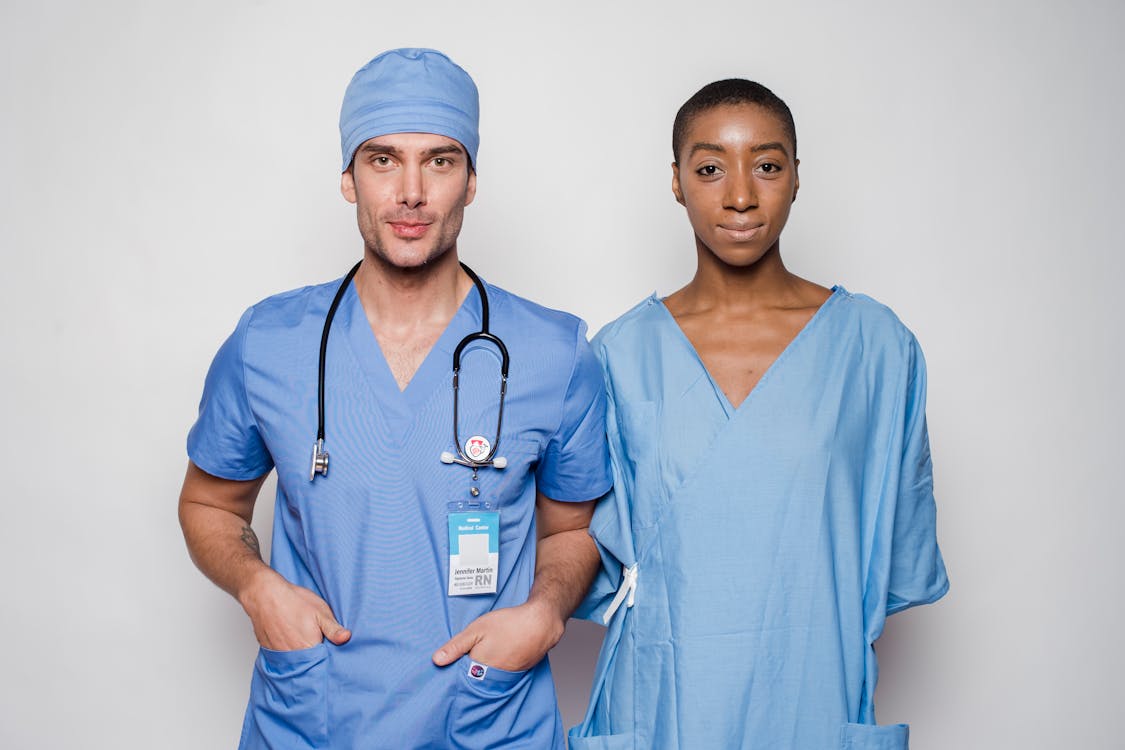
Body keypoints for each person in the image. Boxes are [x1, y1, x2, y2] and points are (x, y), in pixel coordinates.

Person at [178, 48, 611, 749]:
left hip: (488, 717)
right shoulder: (269, 343)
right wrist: (258, 588)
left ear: (470, 182)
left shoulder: (554, 354)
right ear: (348, 179)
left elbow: (572, 527)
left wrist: (546, 611)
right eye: (382, 160)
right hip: (316, 719)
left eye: (440, 161)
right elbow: (208, 503)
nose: (410, 191)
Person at [569, 79, 949, 750]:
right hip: (663, 698)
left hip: (810, 693)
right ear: (677, 181)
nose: (739, 195)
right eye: (710, 168)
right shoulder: (617, 355)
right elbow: (583, 557)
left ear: (796, 177)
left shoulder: (875, 349)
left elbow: (895, 555)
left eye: (766, 166)